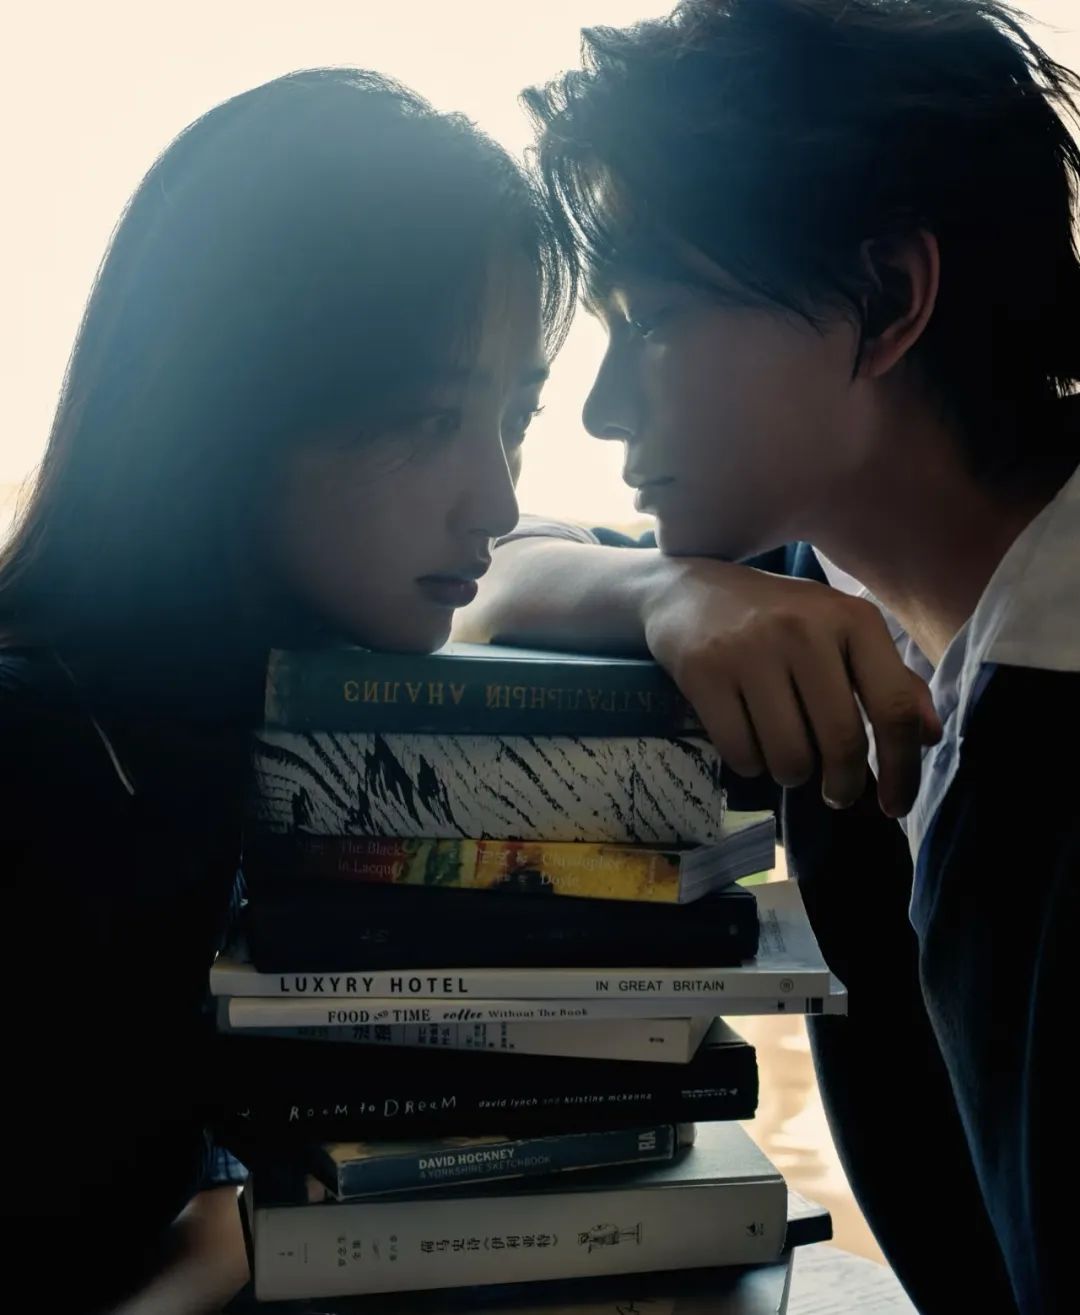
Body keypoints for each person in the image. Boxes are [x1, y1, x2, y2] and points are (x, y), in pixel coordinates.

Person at [457, 2, 1080, 1310]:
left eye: (656, 321)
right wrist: (661, 587)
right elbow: (500, 572)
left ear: (887, 297)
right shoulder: (827, 599)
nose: (603, 406)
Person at [0, 68, 562, 1309]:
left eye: (514, 418)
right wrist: (214, 1252)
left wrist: (677, 596)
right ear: (237, 406)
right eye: (430, 418)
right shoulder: (35, 761)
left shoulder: (253, 721)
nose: (498, 498)